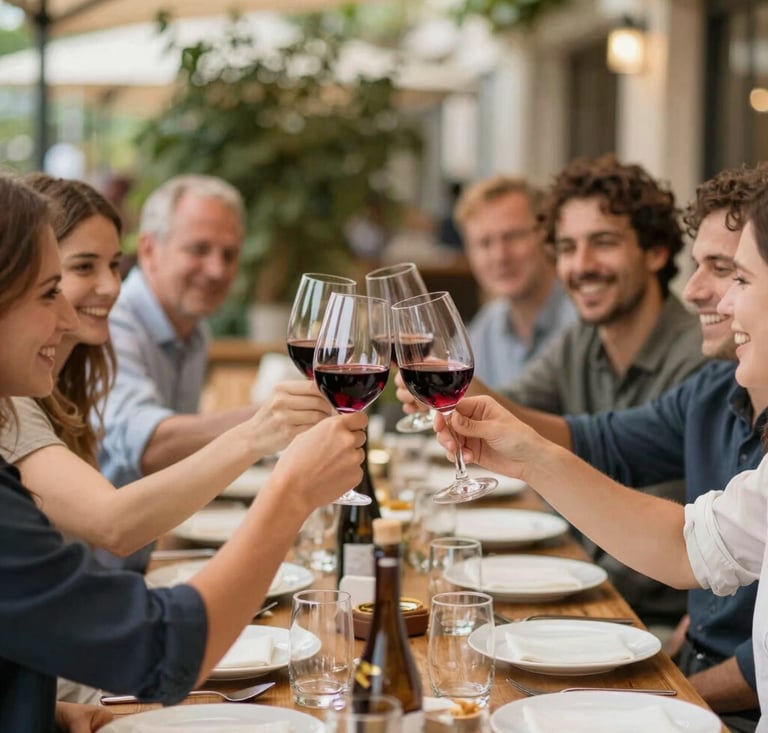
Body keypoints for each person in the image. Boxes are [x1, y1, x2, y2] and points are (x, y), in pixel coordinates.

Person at [0, 173, 367, 732]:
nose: (75, 311)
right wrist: (288, 487)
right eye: (54, 288)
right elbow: (154, 642)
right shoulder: (15, 418)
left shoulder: (82, 371)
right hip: (103, 651)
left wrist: (46, 715)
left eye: (112, 267)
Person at [433, 184, 768, 733]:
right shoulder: (712, 389)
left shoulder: (696, 361)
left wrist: (655, 689)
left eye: (735, 275)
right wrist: (513, 444)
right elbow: (679, 535)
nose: (702, 293)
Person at [400, 154, 706, 626]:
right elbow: (511, 409)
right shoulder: (582, 340)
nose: (581, 266)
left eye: (602, 243)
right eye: (566, 247)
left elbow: (661, 535)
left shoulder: (700, 361)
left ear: (656, 252)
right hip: (586, 592)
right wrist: (454, 389)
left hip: (648, 616)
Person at [0, 173, 331, 558]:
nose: (111, 287)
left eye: (113, 265)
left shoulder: (73, 374)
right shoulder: (14, 404)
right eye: (55, 286)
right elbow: (113, 522)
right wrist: (263, 433)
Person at [455, 176, 576, 389]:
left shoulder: (585, 319)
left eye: (512, 236)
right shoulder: (482, 333)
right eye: (484, 243)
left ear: (547, 235)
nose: (500, 256)